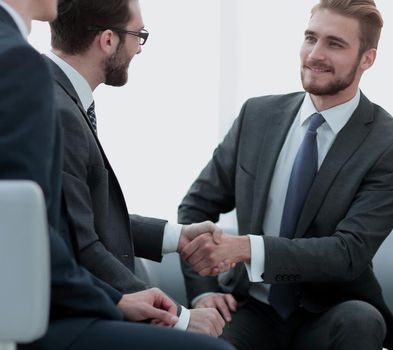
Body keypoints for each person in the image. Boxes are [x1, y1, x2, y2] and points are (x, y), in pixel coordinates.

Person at [177, 0, 393, 348]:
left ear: (367, 59)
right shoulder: (257, 116)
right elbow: (195, 208)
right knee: (204, 337)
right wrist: (203, 293)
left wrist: (248, 248)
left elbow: (348, 253)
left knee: (361, 322)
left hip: (330, 311)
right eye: (311, 38)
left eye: (334, 44)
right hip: (249, 306)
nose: (315, 54)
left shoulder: (392, 146)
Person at [0, 0, 234, 349]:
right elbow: (76, 241)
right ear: (107, 40)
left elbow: (82, 213)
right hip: (53, 311)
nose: (140, 48)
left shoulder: (61, 95)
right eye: (139, 35)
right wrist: (177, 317)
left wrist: (176, 236)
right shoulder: (45, 91)